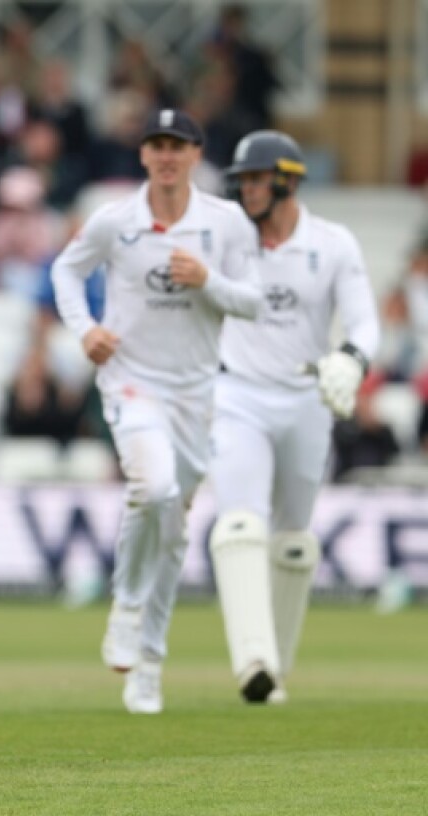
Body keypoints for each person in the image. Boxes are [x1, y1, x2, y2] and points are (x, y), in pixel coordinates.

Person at [51, 109, 262, 714]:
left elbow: (253, 302)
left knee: (173, 531)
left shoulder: (225, 222)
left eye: (178, 146)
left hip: (196, 393)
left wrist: (208, 280)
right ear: (143, 155)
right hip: (132, 381)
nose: (167, 156)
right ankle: (125, 605)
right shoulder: (116, 219)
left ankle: (148, 663)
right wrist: (85, 329)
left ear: (196, 154)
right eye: (157, 145)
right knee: (153, 487)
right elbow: (66, 270)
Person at [208, 130, 379, 703]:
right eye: (243, 182)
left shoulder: (332, 243)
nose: (248, 191)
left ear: (288, 181)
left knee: (294, 543)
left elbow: (364, 323)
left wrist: (351, 360)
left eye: (258, 180)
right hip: (238, 395)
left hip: (307, 400)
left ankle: (273, 673)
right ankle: (252, 659)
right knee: (240, 525)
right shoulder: (226, 240)